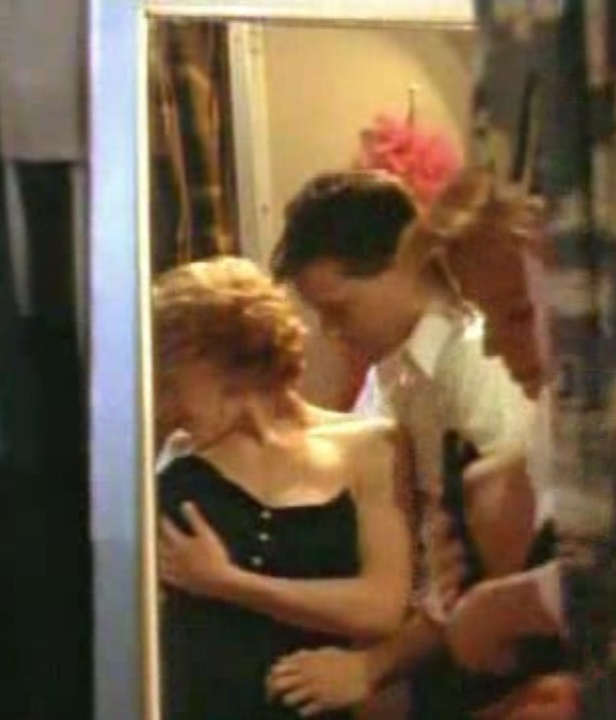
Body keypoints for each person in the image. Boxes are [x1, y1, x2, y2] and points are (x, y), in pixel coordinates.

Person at [264, 170, 566, 720]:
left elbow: (510, 553)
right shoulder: (391, 374)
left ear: (402, 268)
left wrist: (374, 666)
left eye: (339, 309)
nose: (332, 331)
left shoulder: (473, 363)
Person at [151, 256, 415, 720]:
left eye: (171, 383)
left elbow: (381, 606)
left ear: (221, 362)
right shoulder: (177, 463)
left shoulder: (370, 445)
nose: (163, 404)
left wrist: (229, 583)